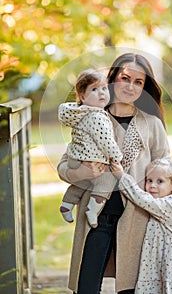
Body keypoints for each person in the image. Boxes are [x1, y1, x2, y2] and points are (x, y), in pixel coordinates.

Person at [57, 53, 170, 294]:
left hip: (137, 217)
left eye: (138, 82)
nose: (130, 86)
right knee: (86, 286)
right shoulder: (89, 116)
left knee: (132, 286)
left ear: (144, 87)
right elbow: (64, 166)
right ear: (112, 79)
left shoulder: (151, 124)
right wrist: (81, 173)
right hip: (96, 216)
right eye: (125, 78)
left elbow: (166, 168)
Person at [117, 157, 172, 294]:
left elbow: (141, 198)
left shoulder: (171, 205)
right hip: (155, 271)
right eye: (149, 180)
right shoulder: (159, 204)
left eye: (159, 181)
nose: (152, 185)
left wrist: (122, 177)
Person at [58, 69, 123, 227]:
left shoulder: (84, 113)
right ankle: (92, 210)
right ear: (82, 97)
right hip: (86, 161)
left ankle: (66, 205)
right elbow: (106, 141)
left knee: (84, 183)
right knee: (106, 181)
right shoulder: (96, 117)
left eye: (104, 88)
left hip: (76, 158)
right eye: (94, 89)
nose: (101, 93)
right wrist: (117, 157)